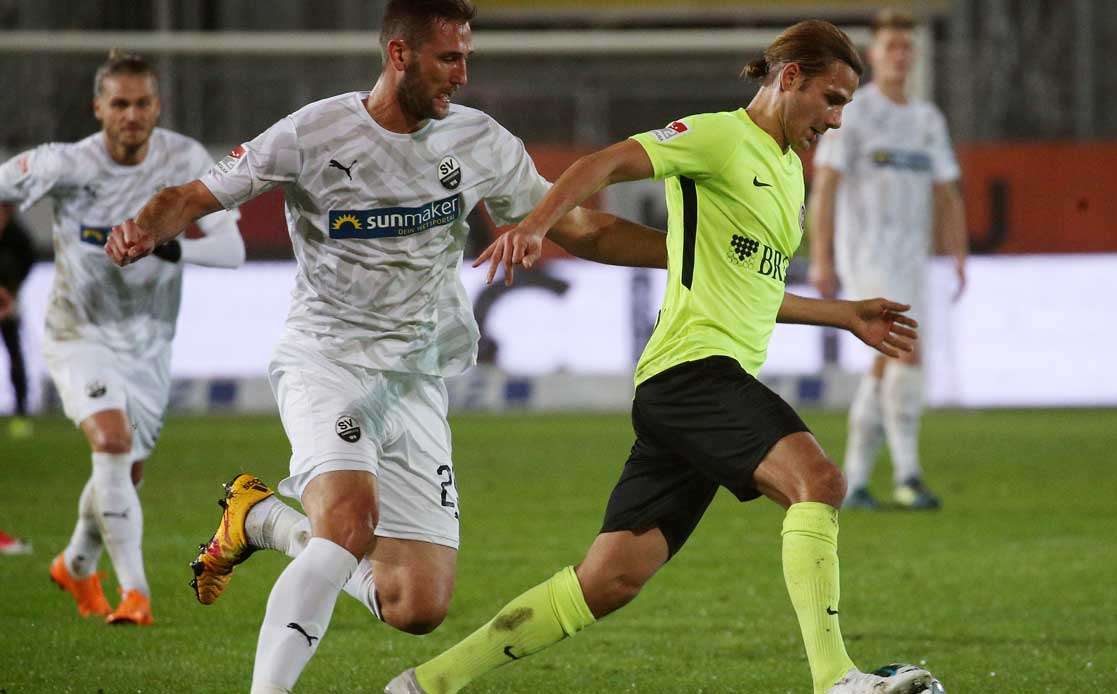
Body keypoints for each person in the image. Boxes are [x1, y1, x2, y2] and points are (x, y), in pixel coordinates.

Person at [104, 2, 669, 691]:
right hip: (327, 357)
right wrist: (142, 225)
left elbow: (582, 231)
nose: (462, 75)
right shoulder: (314, 131)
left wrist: (685, 255)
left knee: (417, 604)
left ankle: (261, 520)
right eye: (448, 59)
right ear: (399, 55)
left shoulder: (479, 141)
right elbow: (193, 195)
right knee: (348, 522)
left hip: (413, 378)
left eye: (467, 58)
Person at [386, 19, 932, 694]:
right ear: (789, 79)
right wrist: (535, 225)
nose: (838, 119)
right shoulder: (719, 136)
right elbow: (605, 163)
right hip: (692, 376)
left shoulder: (789, 174)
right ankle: (835, 680)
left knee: (609, 579)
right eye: (833, 99)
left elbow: (754, 292)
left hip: (693, 391)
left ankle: (423, 686)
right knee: (818, 481)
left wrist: (842, 315)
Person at [0, 49, 245, 624]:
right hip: (77, 330)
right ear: (98, 108)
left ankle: (75, 565)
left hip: (150, 342)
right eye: (119, 103)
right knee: (111, 444)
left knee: (124, 473)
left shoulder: (184, 158)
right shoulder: (65, 164)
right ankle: (136, 595)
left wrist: (166, 242)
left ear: (157, 107)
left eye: (142, 103)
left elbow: (231, 251)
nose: (131, 114)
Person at [807, 9, 968, 510]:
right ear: (874, 55)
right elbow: (826, 186)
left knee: (885, 363)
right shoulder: (854, 113)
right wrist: (822, 258)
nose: (900, 55)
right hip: (867, 257)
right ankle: (907, 473)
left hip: (911, 260)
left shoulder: (926, 120)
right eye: (891, 46)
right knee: (902, 352)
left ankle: (855, 480)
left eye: (906, 47)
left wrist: (958, 254)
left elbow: (946, 193)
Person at [0, 203, 36, 439]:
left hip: (8, 302)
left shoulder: (17, 235)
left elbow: (27, 261)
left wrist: (10, 290)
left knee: (14, 354)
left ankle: (21, 412)